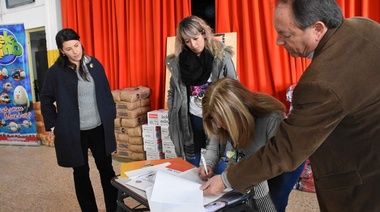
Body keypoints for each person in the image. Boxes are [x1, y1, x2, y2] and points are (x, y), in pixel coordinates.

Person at [201, 0, 380, 211]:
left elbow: (285, 149)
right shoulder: (364, 26)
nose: (278, 42)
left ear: (318, 28)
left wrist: (226, 180)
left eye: (286, 35)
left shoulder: (319, 84)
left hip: (363, 182)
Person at [40, 28, 118, 212]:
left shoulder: (94, 64)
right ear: (61, 50)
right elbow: (46, 98)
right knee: (81, 173)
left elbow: (106, 91)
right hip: (74, 132)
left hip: (98, 128)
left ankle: (114, 208)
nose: (75, 51)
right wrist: (53, 125)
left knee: (106, 169)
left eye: (77, 45)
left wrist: (110, 113)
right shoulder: (56, 72)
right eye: (69, 49)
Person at [199, 77, 287, 211]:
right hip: (250, 164)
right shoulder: (219, 117)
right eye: (214, 120)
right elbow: (214, 145)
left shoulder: (272, 118)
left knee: (274, 203)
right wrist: (209, 164)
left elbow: (275, 162)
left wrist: (231, 177)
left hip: (281, 165)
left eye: (221, 121)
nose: (218, 126)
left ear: (238, 113)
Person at [166, 15, 238, 167]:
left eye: (195, 38)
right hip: (191, 119)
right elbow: (173, 91)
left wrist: (227, 114)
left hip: (216, 119)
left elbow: (234, 87)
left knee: (218, 163)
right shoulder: (180, 63)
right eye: (187, 41)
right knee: (191, 164)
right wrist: (173, 110)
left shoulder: (221, 57)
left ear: (203, 33)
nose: (193, 44)